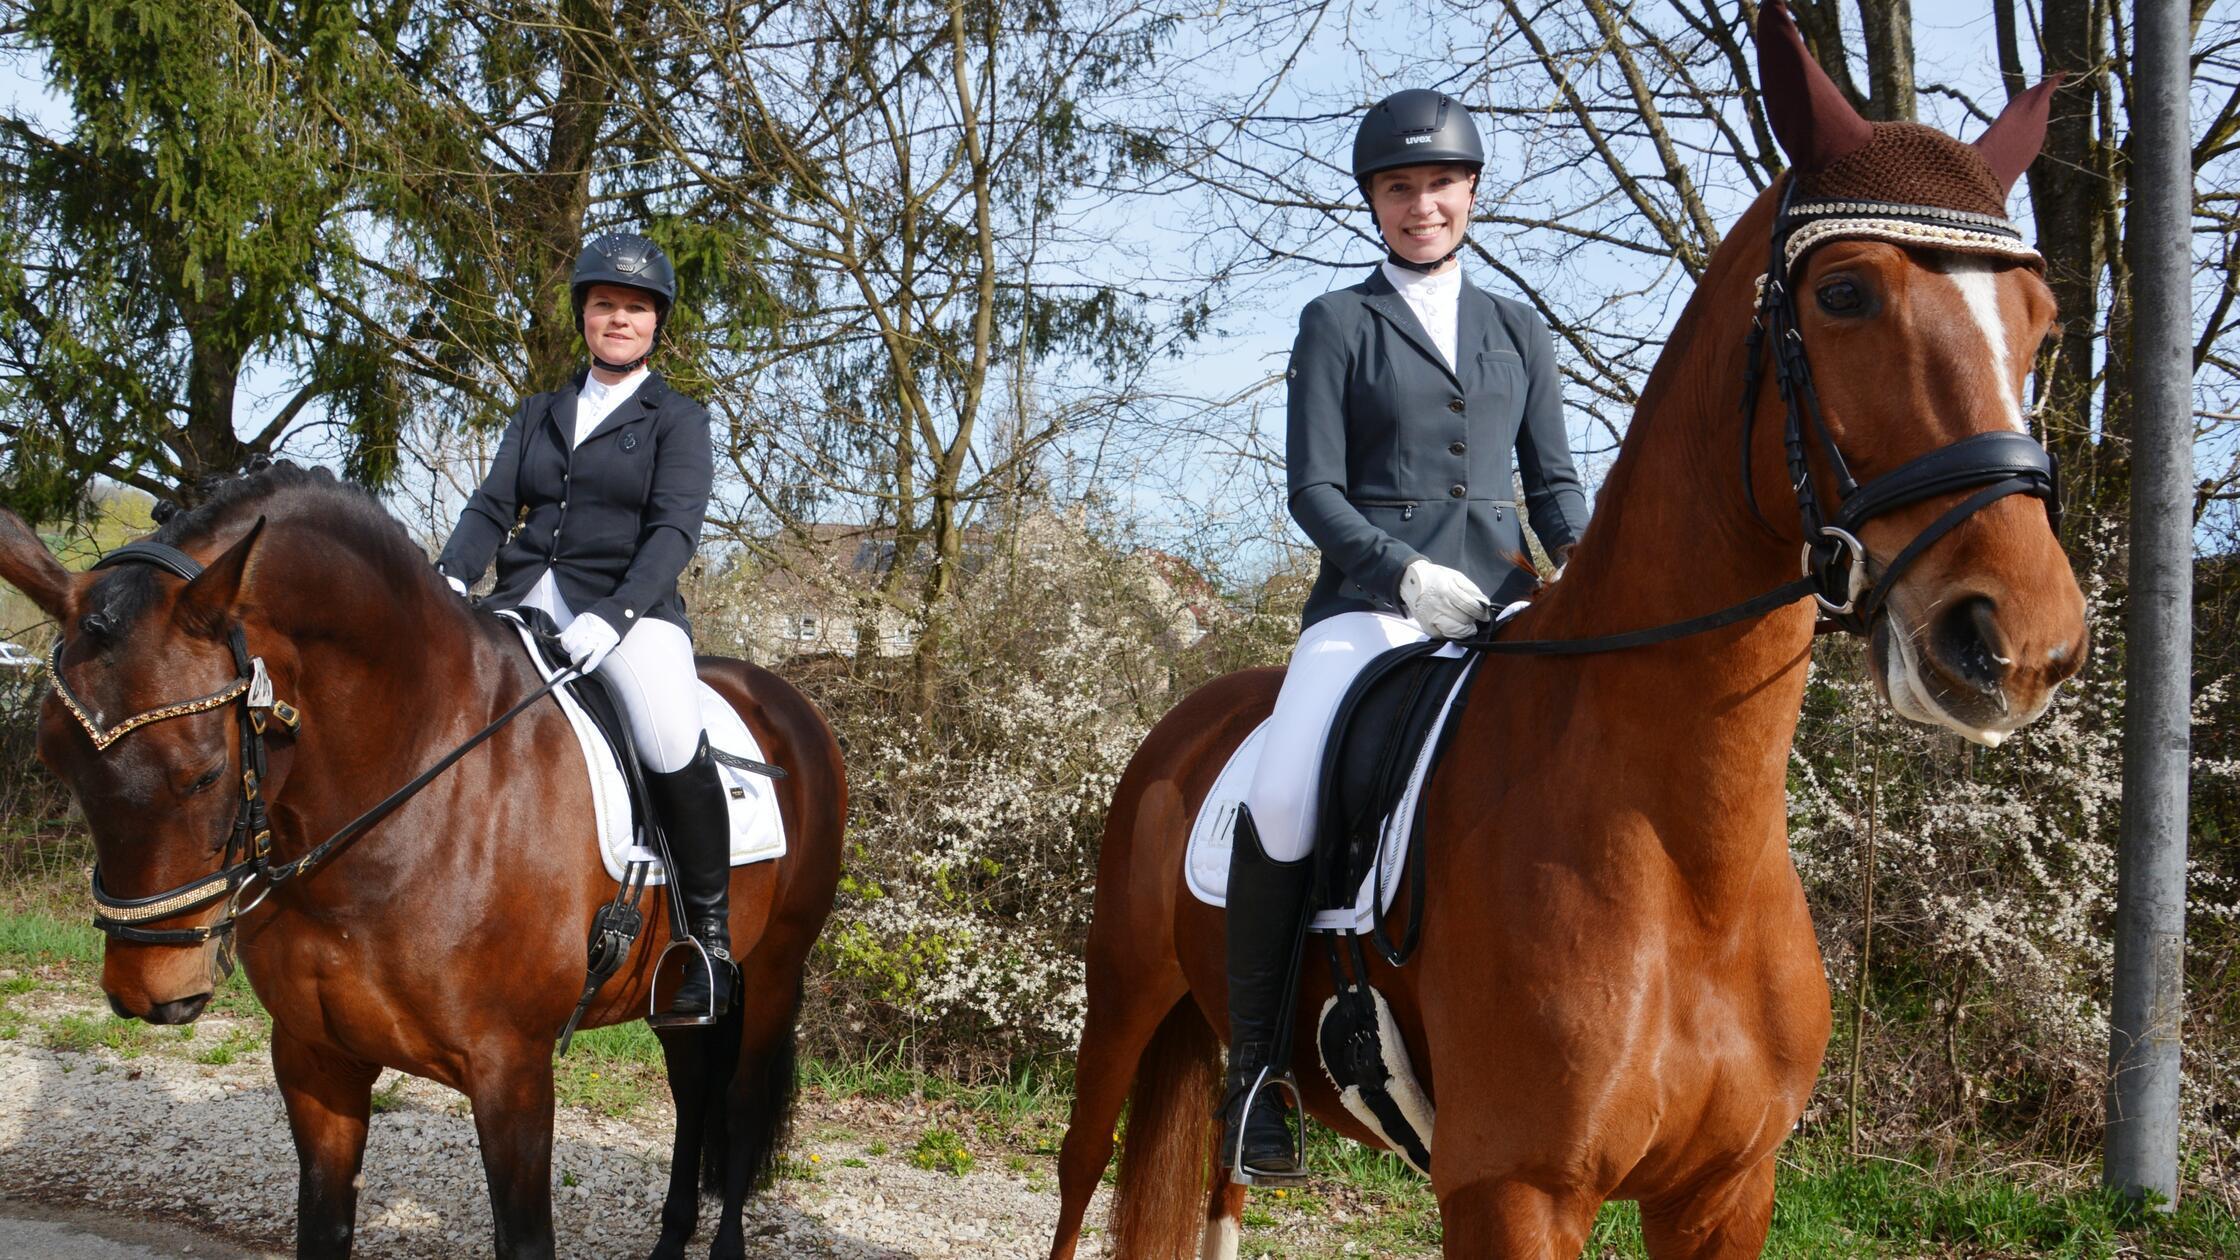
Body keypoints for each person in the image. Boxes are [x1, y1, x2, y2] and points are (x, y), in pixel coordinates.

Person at [1219, 89, 1590, 1179]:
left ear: (1471, 191)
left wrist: (1597, 581)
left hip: (1507, 603)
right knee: (1283, 787)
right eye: (1397, 188)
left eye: (1437, 184)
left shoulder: (1517, 328)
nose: (1419, 204)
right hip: (1370, 605)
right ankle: (1253, 1076)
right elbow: (1312, 492)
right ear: (1373, 203)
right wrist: (1403, 575)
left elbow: (1556, 490)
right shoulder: (1337, 323)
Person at [436, 232, 734, 1025]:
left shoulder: (678, 419)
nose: (619, 319)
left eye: (635, 309)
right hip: (526, 596)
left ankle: (708, 939)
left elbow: (675, 532)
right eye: (605, 305)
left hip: (629, 611)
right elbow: (495, 506)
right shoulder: (539, 412)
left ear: (655, 324)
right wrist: (451, 575)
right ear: (584, 316)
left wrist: (616, 614)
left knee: (671, 735)